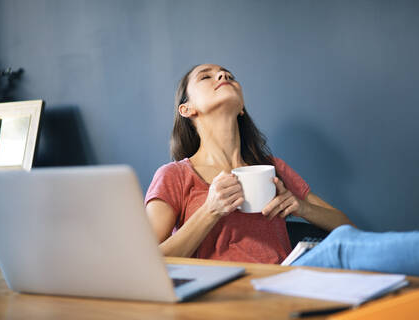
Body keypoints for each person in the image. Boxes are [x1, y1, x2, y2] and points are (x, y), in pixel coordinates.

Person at [144, 63, 354, 264]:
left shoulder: (274, 168)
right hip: (216, 297)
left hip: (281, 289)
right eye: (206, 76)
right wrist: (210, 210)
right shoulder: (174, 175)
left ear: (241, 108)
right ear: (186, 109)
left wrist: (302, 208)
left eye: (229, 76)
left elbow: (348, 227)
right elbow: (147, 261)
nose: (223, 76)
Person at [292, 205, 419, 279]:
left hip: (289, 267)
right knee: (340, 248)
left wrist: (301, 207)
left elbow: (344, 224)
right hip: (266, 279)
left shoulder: (273, 168)